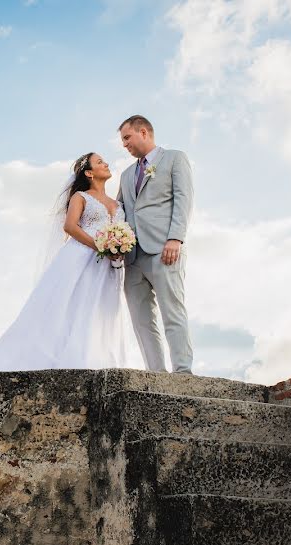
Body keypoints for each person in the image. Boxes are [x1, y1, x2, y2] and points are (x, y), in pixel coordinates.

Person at [0, 152, 129, 371]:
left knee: (100, 310)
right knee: (73, 306)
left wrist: (119, 248)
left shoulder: (118, 204)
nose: (106, 163)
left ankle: (93, 360)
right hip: (81, 258)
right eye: (100, 162)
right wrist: (101, 246)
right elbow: (70, 227)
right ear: (89, 173)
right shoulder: (81, 197)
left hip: (108, 266)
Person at [115, 115, 194, 373]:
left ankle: (183, 372)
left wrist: (176, 238)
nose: (124, 144)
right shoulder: (126, 175)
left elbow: (184, 199)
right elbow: (120, 210)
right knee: (141, 321)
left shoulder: (174, 159)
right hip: (132, 257)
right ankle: (157, 374)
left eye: (127, 137)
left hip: (164, 249)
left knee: (172, 312)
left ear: (144, 132)